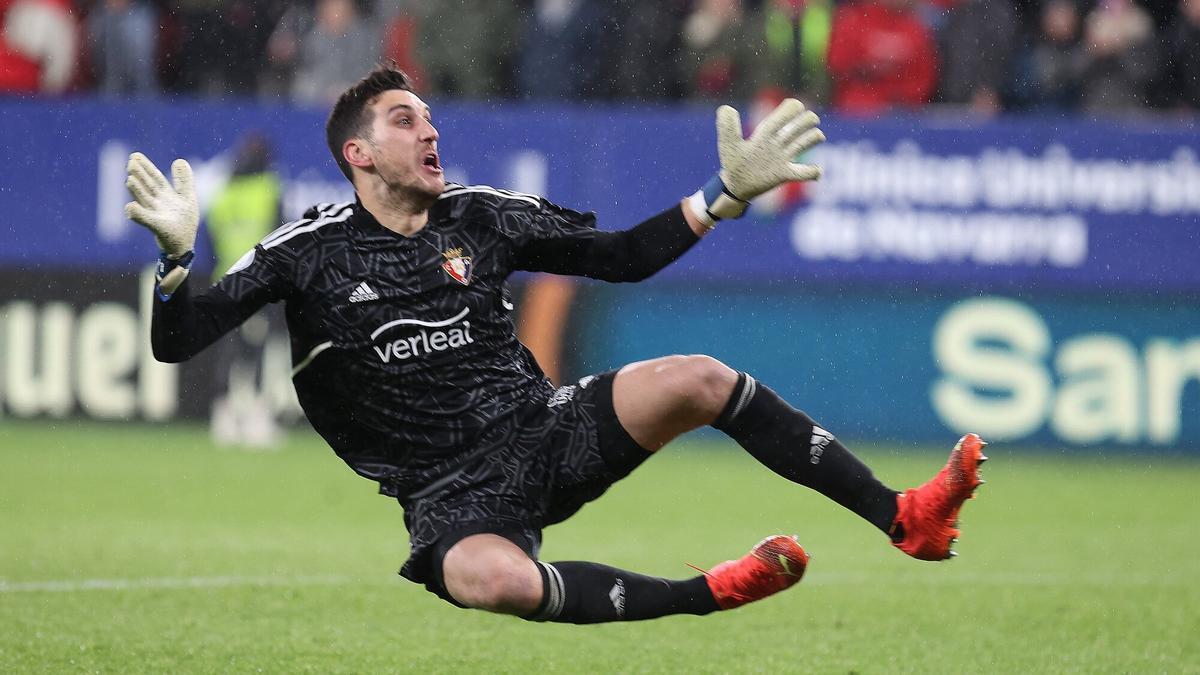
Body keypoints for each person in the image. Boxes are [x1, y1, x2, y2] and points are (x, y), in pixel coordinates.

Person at [123, 64, 987, 624]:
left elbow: (621, 258)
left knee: (698, 375)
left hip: (546, 427)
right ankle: (710, 590)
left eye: (429, 118)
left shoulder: (480, 215)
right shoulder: (305, 253)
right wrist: (173, 262)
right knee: (489, 581)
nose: (429, 132)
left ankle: (903, 515)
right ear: (358, 152)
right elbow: (179, 341)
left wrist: (723, 193)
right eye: (403, 120)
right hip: (448, 493)